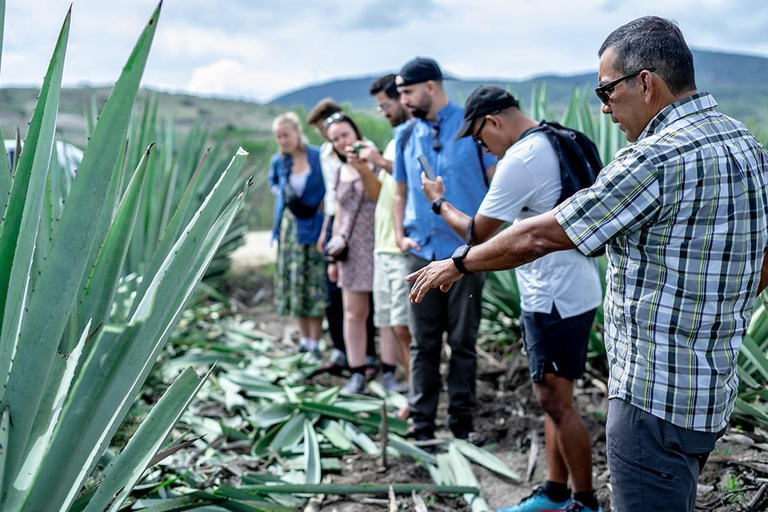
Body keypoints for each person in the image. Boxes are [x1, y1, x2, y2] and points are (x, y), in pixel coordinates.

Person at [407, 16, 768, 512]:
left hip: (652, 397)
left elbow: (538, 235)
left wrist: (458, 264)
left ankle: (572, 497)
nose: (604, 106)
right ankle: (559, 493)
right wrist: (721, 301)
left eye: (606, 91)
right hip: (710, 392)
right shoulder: (745, 144)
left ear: (645, 82)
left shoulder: (652, 159)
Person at [420, 85, 603, 512]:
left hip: (553, 297)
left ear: (494, 122)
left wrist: (438, 203)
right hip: (574, 289)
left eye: (481, 139)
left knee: (555, 401)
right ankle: (557, 492)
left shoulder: (521, 158)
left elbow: (476, 235)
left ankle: (585, 502)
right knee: (555, 397)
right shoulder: (559, 138)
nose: (484, 149)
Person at [393, 57, 496, 442]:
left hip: (466, 256)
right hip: (420, 254)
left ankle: (462, 425)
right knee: (423, 344)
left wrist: (483, 240)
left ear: (430, 87)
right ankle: (421, 425)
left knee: (463, 343)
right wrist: (401, 237)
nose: (402, 100)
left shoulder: (471, 129)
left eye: (407, 92)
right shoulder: (405, 135)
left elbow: (494, 183)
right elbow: (400, 192)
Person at [306, 99, 377, 374]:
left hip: (362, 223)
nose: (326, 136)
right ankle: (344, 351)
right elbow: (332, 196)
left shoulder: (365, 150)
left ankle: (369, 355)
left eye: (323, 128)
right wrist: (327, 230)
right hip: (338, 221)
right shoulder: (327, 155)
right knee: (335, 292)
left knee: (366, 295)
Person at [355, 73, 413, 395]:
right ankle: (410, 387)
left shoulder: (412, 136)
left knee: (406, 327)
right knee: (393, 325)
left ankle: (417, 391)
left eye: (385, 105)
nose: (384, 112)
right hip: (384, 246)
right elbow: (382, 195)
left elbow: (414, 180)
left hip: (400, 250)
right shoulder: (394, 139)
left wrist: (379, 161)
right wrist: (367, 167)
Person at [324, 112, 380, 394]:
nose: (341, 142)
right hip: (350, 249)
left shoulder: (376, 159)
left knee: (384, 314)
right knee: (353, 313)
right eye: (335, 139)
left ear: (355, 132)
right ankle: (356, 372)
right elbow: (339, 213)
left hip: (377, 242)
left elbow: (379, 196)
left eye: (344, 135)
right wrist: (333, 255)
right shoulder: (338, 170)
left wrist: (364, 168)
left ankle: (390, 370)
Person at [268, 113, 327, 361]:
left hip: (314, 225)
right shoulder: (278, 162)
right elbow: (273, 184)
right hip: (289, 230)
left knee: (314, 286)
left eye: (286, 135)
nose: (282, 140)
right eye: (278, 137)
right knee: (295, 286)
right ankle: (304, 341)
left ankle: (315, 342)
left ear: (297, 132)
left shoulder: (317, 156)